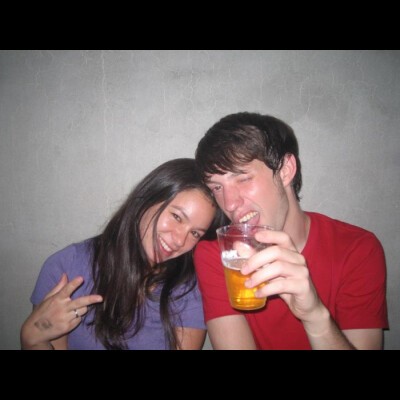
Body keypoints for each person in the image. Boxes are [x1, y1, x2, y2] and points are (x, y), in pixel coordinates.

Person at [194, 112, 388, 350]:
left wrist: (314, 317)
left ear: (286, 170)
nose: (230, 203)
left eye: (243, 178)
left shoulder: (357, 249)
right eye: (216, 187)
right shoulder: (219, 255)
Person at [21, 158, 224, 350]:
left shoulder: (188, 288)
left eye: (195, 233)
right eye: (177, 217)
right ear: (147, 199)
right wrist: (32, 337)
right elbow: (40, 338)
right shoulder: (68, 267)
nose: (179, 240)